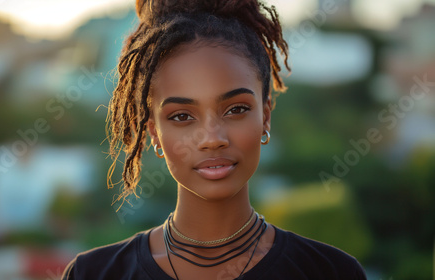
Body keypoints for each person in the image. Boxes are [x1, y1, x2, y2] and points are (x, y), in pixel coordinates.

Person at [62, 0, 367, 279]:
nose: (212, 139)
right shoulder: (94, 274)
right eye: (182, 116)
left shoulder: (330, 272)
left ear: (266, 116)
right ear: (154, 131)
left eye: (236, 109)